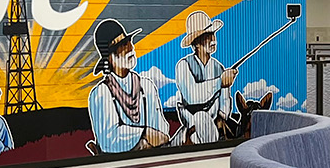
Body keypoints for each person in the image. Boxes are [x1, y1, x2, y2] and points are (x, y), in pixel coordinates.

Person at [86, 18, 169, 154]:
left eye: (129, 42)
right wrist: (144, 134)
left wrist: (149, 137)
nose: (131, 48)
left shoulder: (146, 86)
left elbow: (162, 132)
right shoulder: (101, 93)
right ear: (110, 57)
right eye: (122, 46)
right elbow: (109, 141)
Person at [173, 10, 236, 144]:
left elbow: (224, 106)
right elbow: (192, 96)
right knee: (201, 117)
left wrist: (225, 88)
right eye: (207, 36)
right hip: (192, 123)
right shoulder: (183, 65)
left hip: (214, 124)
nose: (213, 40)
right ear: (195, 43)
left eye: (213, 34)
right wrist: (220, 82)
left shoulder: (218, 67)